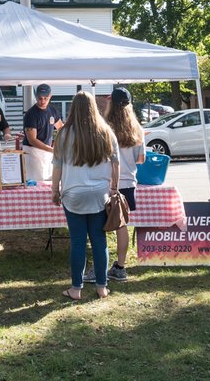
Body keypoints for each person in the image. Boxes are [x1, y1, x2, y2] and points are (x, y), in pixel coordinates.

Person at [51, 91, 119, 300]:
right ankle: (101, 287)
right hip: (100, 194)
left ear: (73, 108)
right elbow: (116, 164)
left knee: (78, 242)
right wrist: (114, 188)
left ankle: (76, 289)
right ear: (93, 108)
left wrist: (55, 190)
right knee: (99, 241)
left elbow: (57, 167)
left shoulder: (63, 134)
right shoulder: (106, 131)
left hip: (73, 194)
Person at [85, 88, 145, 283]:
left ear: (111, 103)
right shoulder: (137, 129)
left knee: (97, 227)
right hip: (128, 183)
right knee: (122, 227)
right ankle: (120, 267)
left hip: (106, 182)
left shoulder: (104, 127)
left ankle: (97, 269)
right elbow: (141, 159)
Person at [23, 84, 64, 181]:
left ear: (50, 96)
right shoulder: (31, 114)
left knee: (49, 180)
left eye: (45, 98)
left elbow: (61, 128)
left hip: (47, 152)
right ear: (36, 96)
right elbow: (32, 140)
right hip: (33, 152)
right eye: (40, 98)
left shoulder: (52, 110)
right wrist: (51, 149)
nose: (42, 101)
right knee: (35, 181)